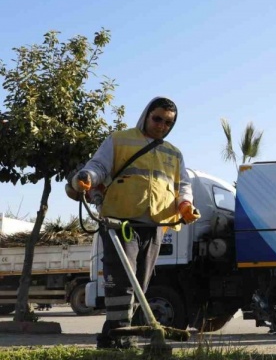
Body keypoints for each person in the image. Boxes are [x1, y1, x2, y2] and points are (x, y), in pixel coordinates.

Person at [70, 97, 199, 349]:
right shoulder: (120, 140)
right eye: (157, 119)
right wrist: (87, 176)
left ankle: (114, 335)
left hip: (154, 224)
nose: (162, 125)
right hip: (120, 222)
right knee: (121, 279)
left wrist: (185, 204)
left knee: (141, 280)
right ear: (146, 115)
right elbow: (98, 166)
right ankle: (119, 333)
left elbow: (182, 185)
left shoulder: (173, 153)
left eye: (168, 122)